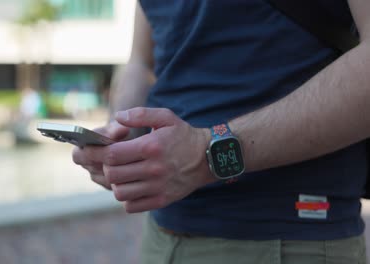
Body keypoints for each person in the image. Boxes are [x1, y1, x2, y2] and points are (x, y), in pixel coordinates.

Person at [73, 1, 370, 263]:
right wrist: (119, 137)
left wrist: (208, 153)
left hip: (289, 237)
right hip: (160, 236)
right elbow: (141, 61)